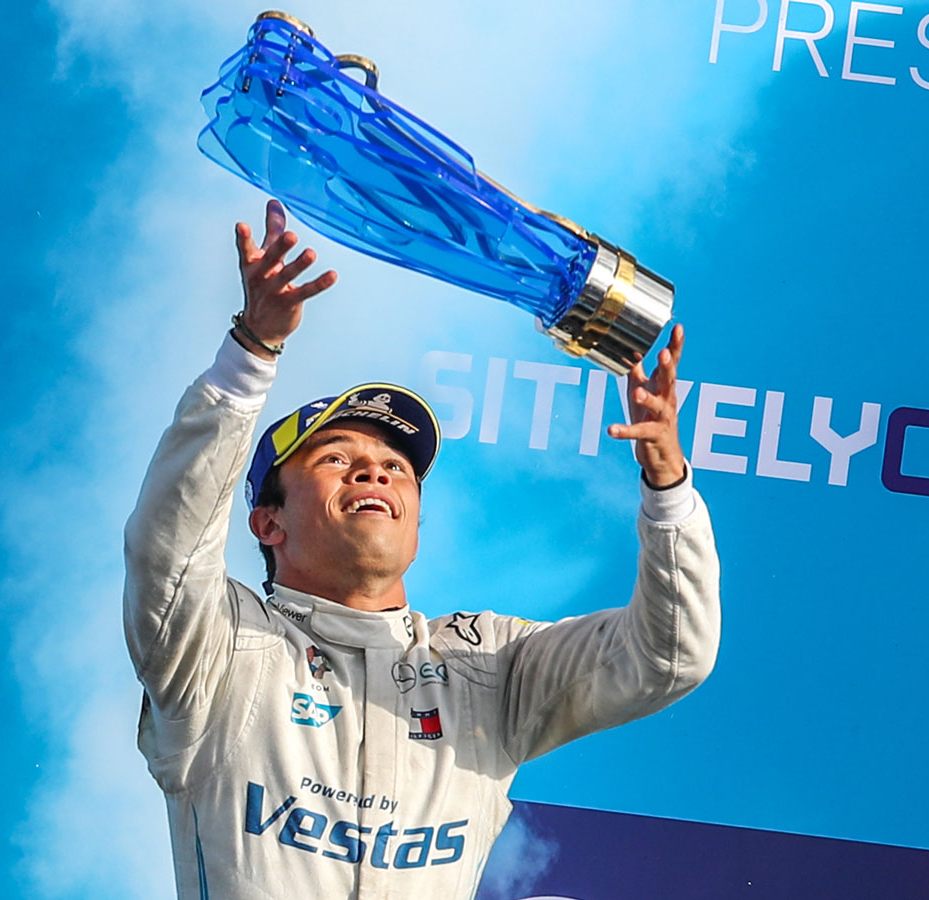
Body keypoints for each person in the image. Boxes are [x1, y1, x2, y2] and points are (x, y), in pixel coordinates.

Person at [123, 200, 721, 900]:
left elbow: (669, 656)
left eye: (395, 467)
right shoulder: (221, 649)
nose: (374, 472)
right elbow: (169, 551)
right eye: (336, 460)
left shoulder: (489, 668)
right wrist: (250, 355)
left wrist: (668, 485)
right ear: (268, 524)